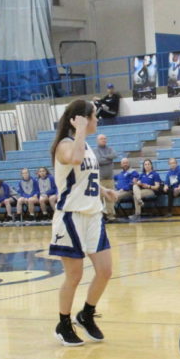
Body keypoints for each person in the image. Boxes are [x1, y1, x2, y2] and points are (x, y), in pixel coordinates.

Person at [48, 99, 116, 346]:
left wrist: (102, 191)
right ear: (82, 119)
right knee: (74, 276)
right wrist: (78, 130)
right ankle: (63, 323)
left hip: (93, 215)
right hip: (71, 217)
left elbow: (82, 179)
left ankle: (86, 314)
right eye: (94, 116)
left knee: (105, 271)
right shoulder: (66, 145)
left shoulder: (85, 145)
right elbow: (74, 161)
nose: (97, 120)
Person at [94, 134, 117, 218]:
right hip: (100, 179)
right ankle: (99, 216)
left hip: (110, 178)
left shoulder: (110, 149)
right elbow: (99, 161)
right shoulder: (95, 150)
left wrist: (104, 157)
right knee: (99, 198)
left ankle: (111, 215)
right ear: (97, 140)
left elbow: (115, 155)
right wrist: (109, 159)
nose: (104, 140)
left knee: (110, 198)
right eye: (101, 139)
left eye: (105, 138)